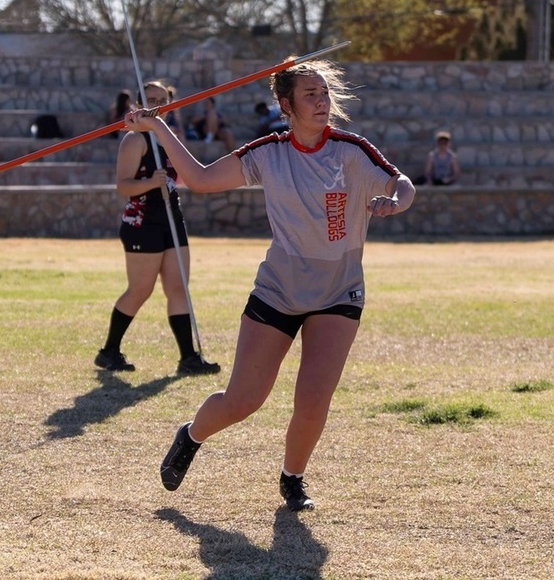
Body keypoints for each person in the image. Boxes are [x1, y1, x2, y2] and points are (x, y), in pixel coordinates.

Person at [123, 57, 415, 511]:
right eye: (310, 95)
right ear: (287, 105)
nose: (322, 103)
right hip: (278, 291)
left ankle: (292, 478)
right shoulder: (268, 153)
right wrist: (158, 128)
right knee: (243, 400)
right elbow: (198, 179)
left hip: (339, 292)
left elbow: (402, 182)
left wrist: (395, 200)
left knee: (314, 398)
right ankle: (191, 434)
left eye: (325, 93)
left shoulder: (351, 149)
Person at [96, 80, 220, 376]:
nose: (155, 105)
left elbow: (187, 174)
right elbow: (122, 186)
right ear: (138, 105)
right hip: (142, 222)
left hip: (171, 218)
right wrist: (152, 182)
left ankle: (188, 358)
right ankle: (109, 351)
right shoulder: (134, 140)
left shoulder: (170, 138)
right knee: (140, 290)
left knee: (179, 288)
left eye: (161, 100)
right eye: (149, 99)